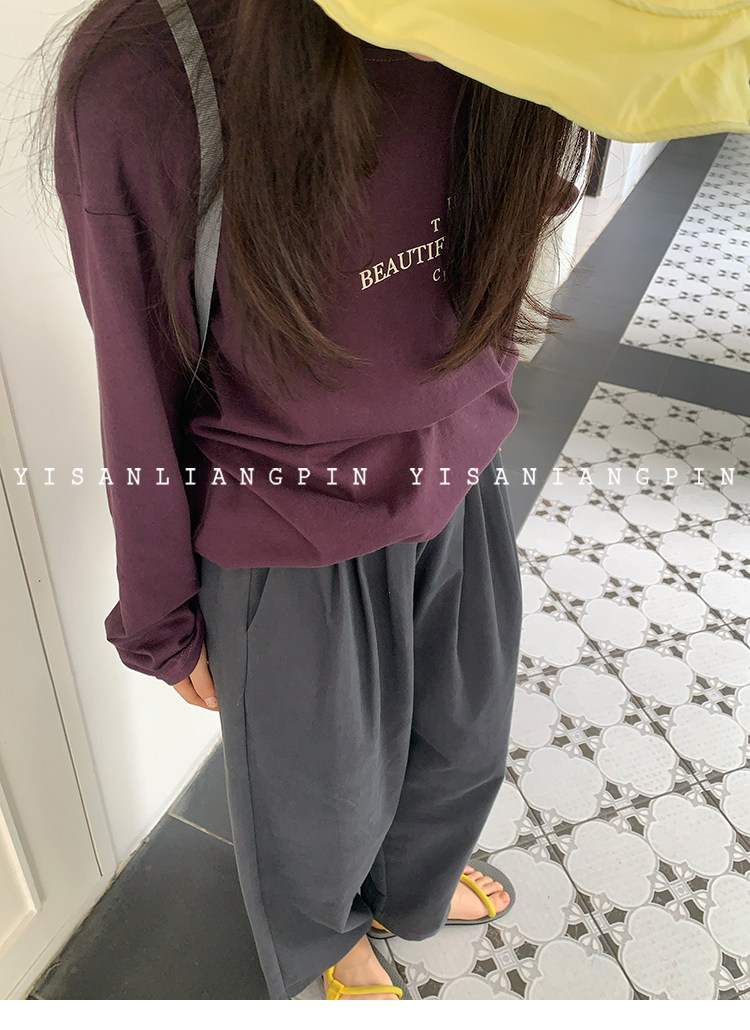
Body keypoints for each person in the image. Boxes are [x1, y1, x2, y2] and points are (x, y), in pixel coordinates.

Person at [39, 0, 592, 1001]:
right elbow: (135, 379)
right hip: (288, 527)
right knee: (318, 804)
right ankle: (329, 941)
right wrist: (163, 614)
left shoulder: (520, 21)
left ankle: (410, 891)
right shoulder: (151, 69)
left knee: (463, 743)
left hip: (461, 472)